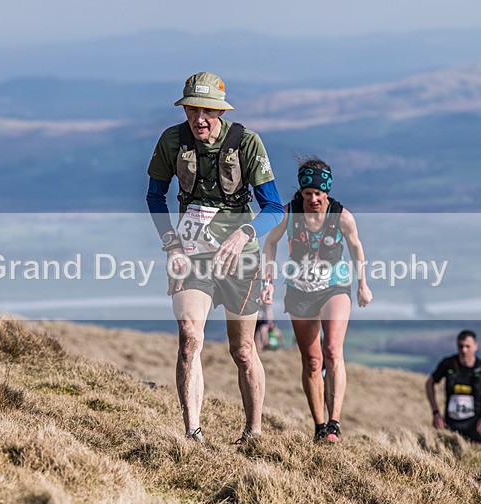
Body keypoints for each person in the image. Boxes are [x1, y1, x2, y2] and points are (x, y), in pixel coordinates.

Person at [145, 72, 284, 443]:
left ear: (220, 111)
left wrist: (245, 233)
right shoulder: (172, 141)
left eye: (207, 110)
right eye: (193, 110)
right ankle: (193, 433)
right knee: (189, 336)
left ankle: (252, 432)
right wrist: (171, 243)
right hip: (192, 256)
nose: (199, 119)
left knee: (242, 349)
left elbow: (274, 207)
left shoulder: (247, 143)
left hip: (242, 259)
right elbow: (154, 197)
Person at [261, 157, 373, 443]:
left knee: (333, 349)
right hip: (299, 292)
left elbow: (356, 248)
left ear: (327, 192)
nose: (312, 199)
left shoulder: (342, 216)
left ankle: (334, 422)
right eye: (307, 193)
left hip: (334, 287)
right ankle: (319, 425)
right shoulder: (289, 213)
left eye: (317, 194)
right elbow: (270, 243)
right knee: (312, 361)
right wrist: (269, 281)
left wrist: (362, 284)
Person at [425, 330, 481, 451]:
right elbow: (430, 383)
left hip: (476, 422)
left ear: (476, 346)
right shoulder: (448, 364)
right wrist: (435, 413)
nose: (464, 350)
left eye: (467, 346)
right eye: (461, 346)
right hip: (451, 423)